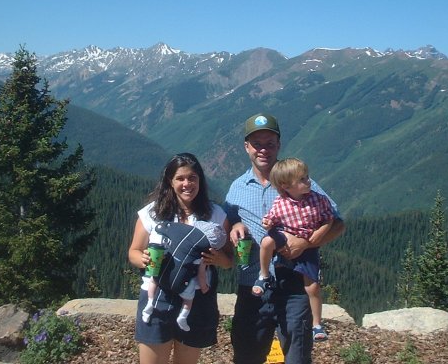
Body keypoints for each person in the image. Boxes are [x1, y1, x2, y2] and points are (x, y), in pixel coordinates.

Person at [224, 113, 345, 364]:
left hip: (294, 284)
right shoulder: (236, 188)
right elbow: (226, 220)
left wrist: (307, 243)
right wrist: (234, 223)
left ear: (279, 145)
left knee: (296, 355)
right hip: (253, 282)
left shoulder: (302, 183)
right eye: (257, 144)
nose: (263, 150)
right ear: (246, 147)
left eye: (269, 143)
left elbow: (337, 223)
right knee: (247, 354)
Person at [128, 153, 232, 364]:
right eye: (180, 178)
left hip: (198, 298)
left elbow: (229, 260)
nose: (187, 184)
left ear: (200, 180)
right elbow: (134, 252)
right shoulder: (151, 213)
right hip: (156, 296)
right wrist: (144, 259)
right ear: (170, 181)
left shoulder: (216, 215)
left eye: (192, 178)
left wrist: (217, 259)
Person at [254, 157, 334, 342]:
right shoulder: (280, 203)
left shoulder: (318, 199)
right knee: (266, 242)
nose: (308, 181)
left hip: (308, 245)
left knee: (312, 286)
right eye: (302, 179)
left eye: (307, 177)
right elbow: (271, 219)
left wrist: (320, 233)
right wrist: (267, 223)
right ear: (286, 186)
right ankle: (264, 275)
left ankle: (317, 325)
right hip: (286, 238)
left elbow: (329, 218)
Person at [142, 219, 226, 332]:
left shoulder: (176, 238)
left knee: (153, 281)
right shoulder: (202, 256)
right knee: (188, 299)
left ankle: (149, 303)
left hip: (163, 276)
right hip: (182, 284)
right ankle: (182, 316)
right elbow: (201, 275)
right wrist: (204, 287)